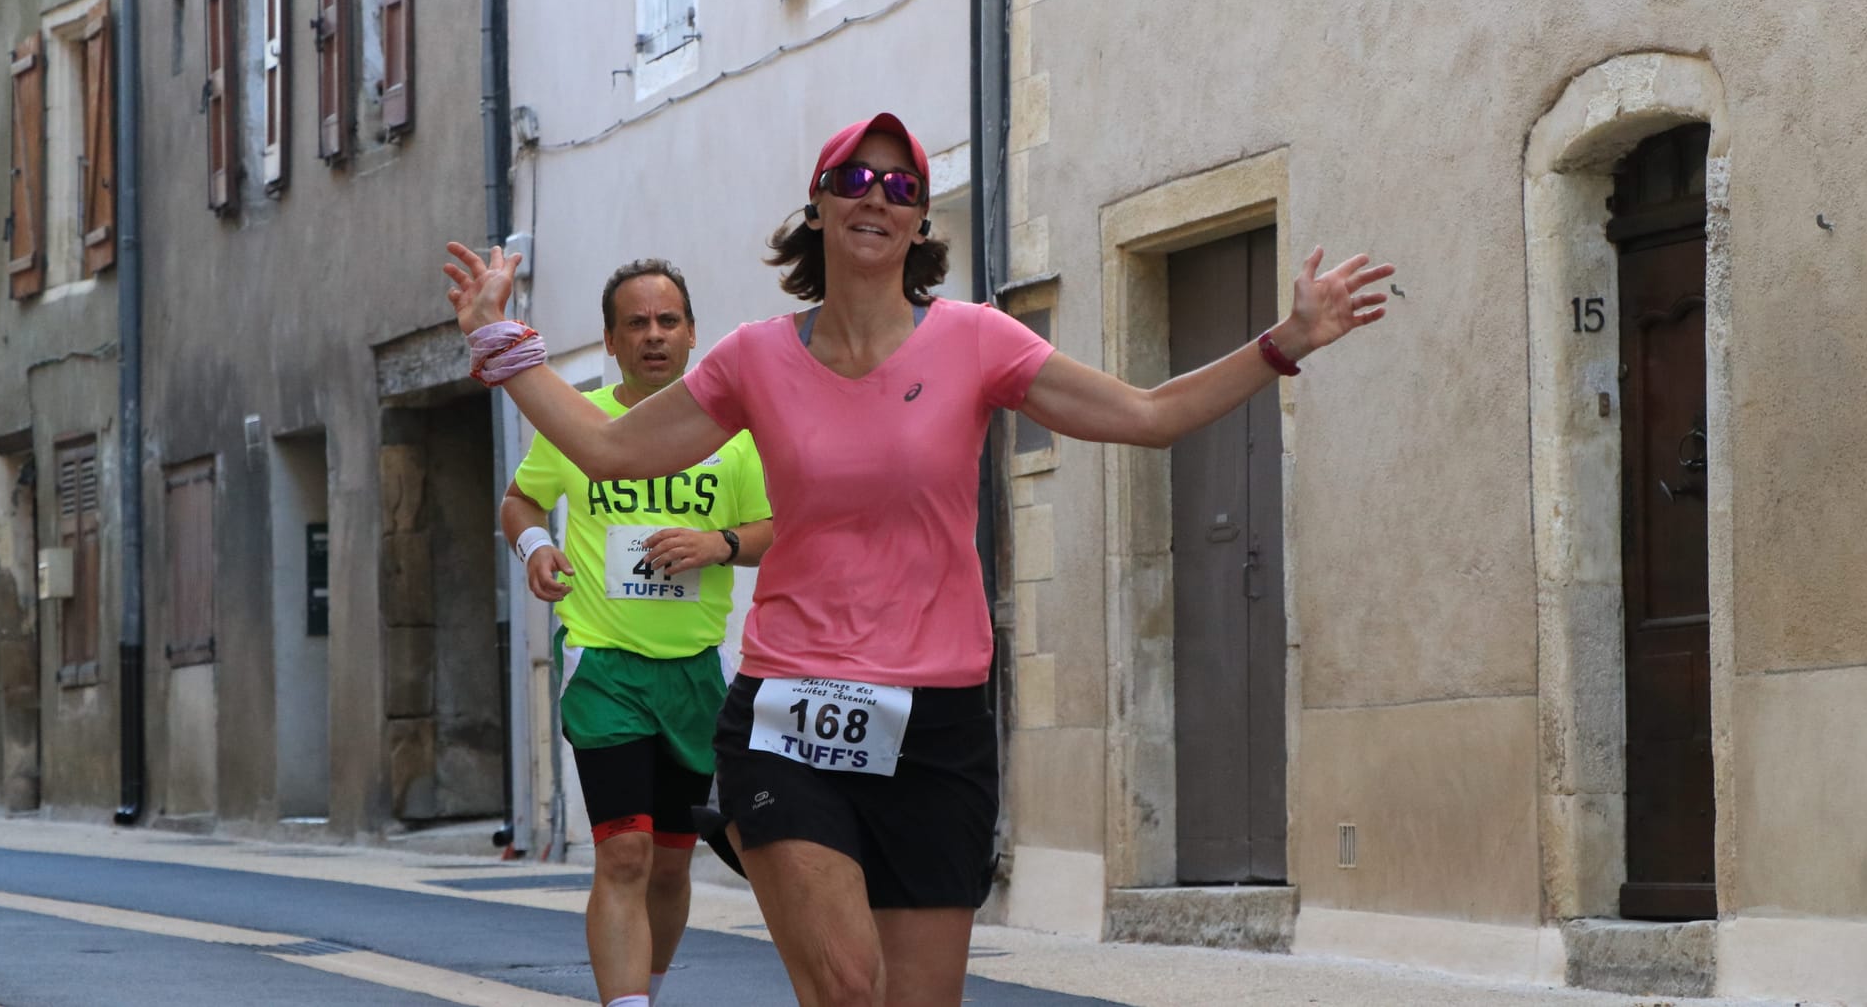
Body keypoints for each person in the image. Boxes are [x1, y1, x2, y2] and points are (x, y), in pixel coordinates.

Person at [447, 113, 1393, 1007]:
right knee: (849, 984)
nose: (878, 195)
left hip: (935, 722)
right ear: (817, 205)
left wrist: (1284, 342)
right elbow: (610, 450)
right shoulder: (754, 359)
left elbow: (1144, 417)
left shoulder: (976, 341)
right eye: (855, 177)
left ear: (918, 219)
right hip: (790, 708)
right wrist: (503, 341)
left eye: (901, 183)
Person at [498, 258, 773, 1007]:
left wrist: (718, 542)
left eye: (668, 321)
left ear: (691, 334)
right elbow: (519, 502)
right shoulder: (579, 422)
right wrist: (535, 548)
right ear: (613, 341)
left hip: (695, 670)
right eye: (636, 324)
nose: (654, 336)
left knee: (674, 861)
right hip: (604, 662)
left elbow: (775, 529)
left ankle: (645, 988)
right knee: (624, 849)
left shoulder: (735, 437)